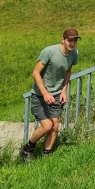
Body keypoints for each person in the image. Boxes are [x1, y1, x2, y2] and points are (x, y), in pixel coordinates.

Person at [19, 29, 80, 161]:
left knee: (55, 125)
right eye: (70, 40)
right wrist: (45, 93)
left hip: (57, 94)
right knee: (47, 126)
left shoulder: (74, 53)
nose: (72, 43)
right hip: (40, 95)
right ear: (63, 40)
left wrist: (64, 91)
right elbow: (35, 73)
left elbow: (68, 71)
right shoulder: (49, 52)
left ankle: (47, 156)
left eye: (75, 40)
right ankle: (27, 149)